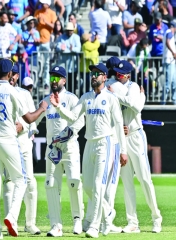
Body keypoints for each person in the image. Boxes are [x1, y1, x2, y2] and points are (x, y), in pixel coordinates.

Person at [49, 63, 127, 238]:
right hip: (89, 143)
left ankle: (94, 226)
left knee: (99, 184)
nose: (94, 76)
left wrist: (123, 150)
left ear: (105, 77)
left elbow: (119, 127)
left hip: (105, 143)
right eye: (92, 73)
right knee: (89, 186)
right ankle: (108, 213)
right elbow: (73, 117)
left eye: (98, 73)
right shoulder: (86, 97)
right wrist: (58, 107)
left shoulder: (111, 98)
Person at [0, 58, 48, 239]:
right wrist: (42, 108)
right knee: (21, 180)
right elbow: (29, 119)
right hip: (8, 141)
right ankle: (12, 216)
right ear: (9, 74)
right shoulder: (12, 91)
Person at [107, 60, 162, 234]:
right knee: (127, 181)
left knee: (145, 178)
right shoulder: (113, 85)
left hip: (136, 135)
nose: (118, 75)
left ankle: (156, 218)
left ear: (128, 75)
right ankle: (133, 222)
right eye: (116, 73)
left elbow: (136, 105)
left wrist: (115, 95)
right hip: (121, 138)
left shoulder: (133, 86)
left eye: (121, 73)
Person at [35, 66, 85, 237]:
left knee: (73, 182)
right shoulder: (45, 101)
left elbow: (79, 122)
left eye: (57, 78)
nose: (54, 81)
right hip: (52, 151)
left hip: (69, 148)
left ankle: (77, 219)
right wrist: (29, 131)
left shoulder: (71, 99)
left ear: (64, 80)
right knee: (51, 185)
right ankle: (56, 225)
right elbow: (34, 122)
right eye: (52, 77)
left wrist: (65, 137)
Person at [3, 64, 41, 235]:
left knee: (30, 182)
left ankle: (30, 223)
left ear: (17, 76)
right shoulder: (0, 91)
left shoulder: (25, 94)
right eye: (10, 74)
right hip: (7, 142)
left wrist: (22, 127)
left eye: (14, 74)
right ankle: (12, 223)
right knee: (10, 183)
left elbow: (31, 122)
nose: (12, 77)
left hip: (24, 142)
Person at [34, 0, 57, 90]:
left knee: (47, 63)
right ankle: (36, 82)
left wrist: (45, 21)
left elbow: (53, 26)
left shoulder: (52, 13)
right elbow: (34, 24)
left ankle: (46, 82)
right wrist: (38, 21)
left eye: (45, 3)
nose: (43, 4)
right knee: (38, 64)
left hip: (47, 42)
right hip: (38, 42)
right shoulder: (37, 12)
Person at [55, 22, 81, 94]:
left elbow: (78, 49)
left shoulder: (76, 37)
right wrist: (62, 49)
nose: (69, 31)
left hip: (73, 65)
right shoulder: (61, 37)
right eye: (68, 30)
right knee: (63, 84)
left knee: (72, 83)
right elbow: (58, 47)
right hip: (63, 65)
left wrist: (72, 49)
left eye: (71, 30)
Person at [161, 20, 176, 104]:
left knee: (174, 83)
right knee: (168, 83)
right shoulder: (169, 31)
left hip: (171, 62)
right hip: (168, 61)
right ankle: (162, 103)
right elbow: (167, 42)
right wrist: (173, 53)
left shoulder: (169, 32)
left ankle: (174, 102)